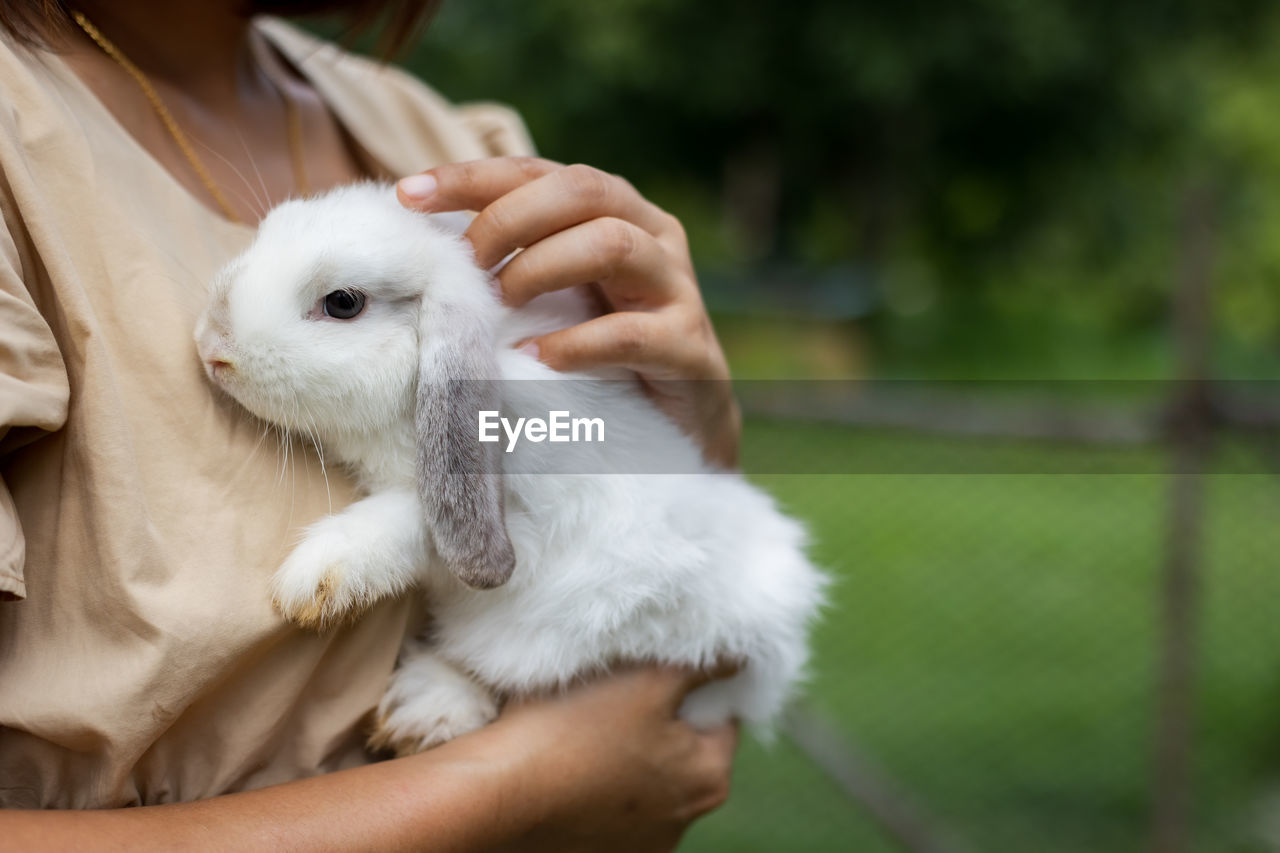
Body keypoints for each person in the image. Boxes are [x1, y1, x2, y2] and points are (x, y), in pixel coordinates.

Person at [0, 1, 743, 849]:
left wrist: (692, 427)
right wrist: (524, 782)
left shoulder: (441, 135)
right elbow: (614, 767)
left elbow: (676, 680)